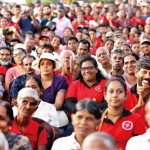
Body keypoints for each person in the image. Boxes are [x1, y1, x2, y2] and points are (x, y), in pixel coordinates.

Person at [98, 77, 146, 150]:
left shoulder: (136, 119)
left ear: (126, 96)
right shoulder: (97, 119)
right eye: (111, 91)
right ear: (105, 95)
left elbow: (141, 146)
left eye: (119, 91)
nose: (115, 95)